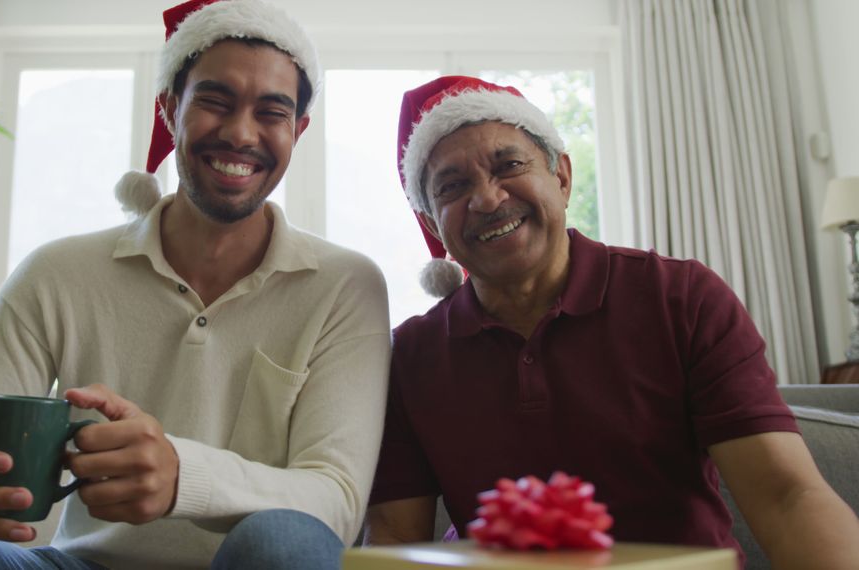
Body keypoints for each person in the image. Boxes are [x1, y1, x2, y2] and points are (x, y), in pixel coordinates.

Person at [0, 1, 391, 568]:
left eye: (271, 112)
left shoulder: (346, 286)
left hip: (248, 564)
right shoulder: (58, 272)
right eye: (214, 100)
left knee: (284, 543)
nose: (241, 133)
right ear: (168, 109)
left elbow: (335, 501)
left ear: (299, 129)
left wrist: (183, 475)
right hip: (80, 565)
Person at [364, 75, 859, 568]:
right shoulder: (411, 354)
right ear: (432, 222)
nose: (488, 199)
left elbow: (787, 497)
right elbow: (394, 536)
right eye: (453, 186)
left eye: (509, 165)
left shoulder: (680, 298)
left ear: (560, 176)